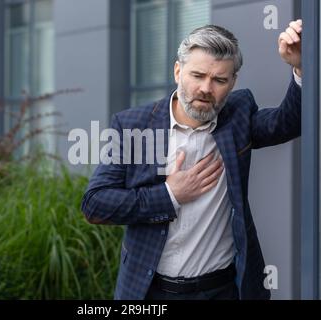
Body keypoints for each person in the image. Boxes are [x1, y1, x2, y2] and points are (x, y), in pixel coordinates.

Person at [81, 20, 302, 300]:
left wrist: (300, 68)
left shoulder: (237, 116)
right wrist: (170, 194)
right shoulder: (132, 126)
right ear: (177, 71)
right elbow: (95, 204)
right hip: (151, 292)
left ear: (232, 82)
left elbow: (288, 123)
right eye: (197, 75)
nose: (206, 89)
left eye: (219, 80)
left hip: (222, 290)